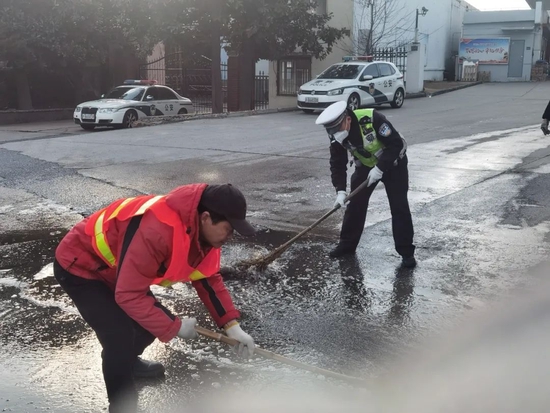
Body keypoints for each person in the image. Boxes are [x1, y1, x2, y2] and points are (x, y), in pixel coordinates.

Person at [53, 183, 257, 413]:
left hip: (120, 270)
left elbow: (208, 280)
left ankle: (129, 363)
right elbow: (129, 294)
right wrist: (175, 326)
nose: (229, 237)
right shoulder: (158, 229)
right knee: (118, 336)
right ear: (206, 218)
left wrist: (232, 326)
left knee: (147, 325)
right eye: (228, 229)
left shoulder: (205, 236)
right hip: (81, 266)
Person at [315, 101, 416, 267]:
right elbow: (337, 164)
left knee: (399, 207)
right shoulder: (336, 136)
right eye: (330, 130)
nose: (334, 133)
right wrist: (340, 191)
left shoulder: (372, 119)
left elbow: (396, 144)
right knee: (355, 205)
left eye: (336, 128)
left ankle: (406, 253)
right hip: (366, 166)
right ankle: (347, 245)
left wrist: (381, 168)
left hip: (393, 164)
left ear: (347, 119)